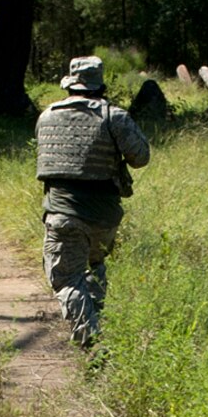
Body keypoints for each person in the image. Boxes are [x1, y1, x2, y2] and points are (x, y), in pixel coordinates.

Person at [35, 56, 150, 347]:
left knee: (66, 279)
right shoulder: (114, 116)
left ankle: (92, 343)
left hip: (62, 214)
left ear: (69, 83)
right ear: (99, 84)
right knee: (94, 268)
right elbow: (141, 158)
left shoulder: (47, 116)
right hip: (104, 216)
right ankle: (94, 324)